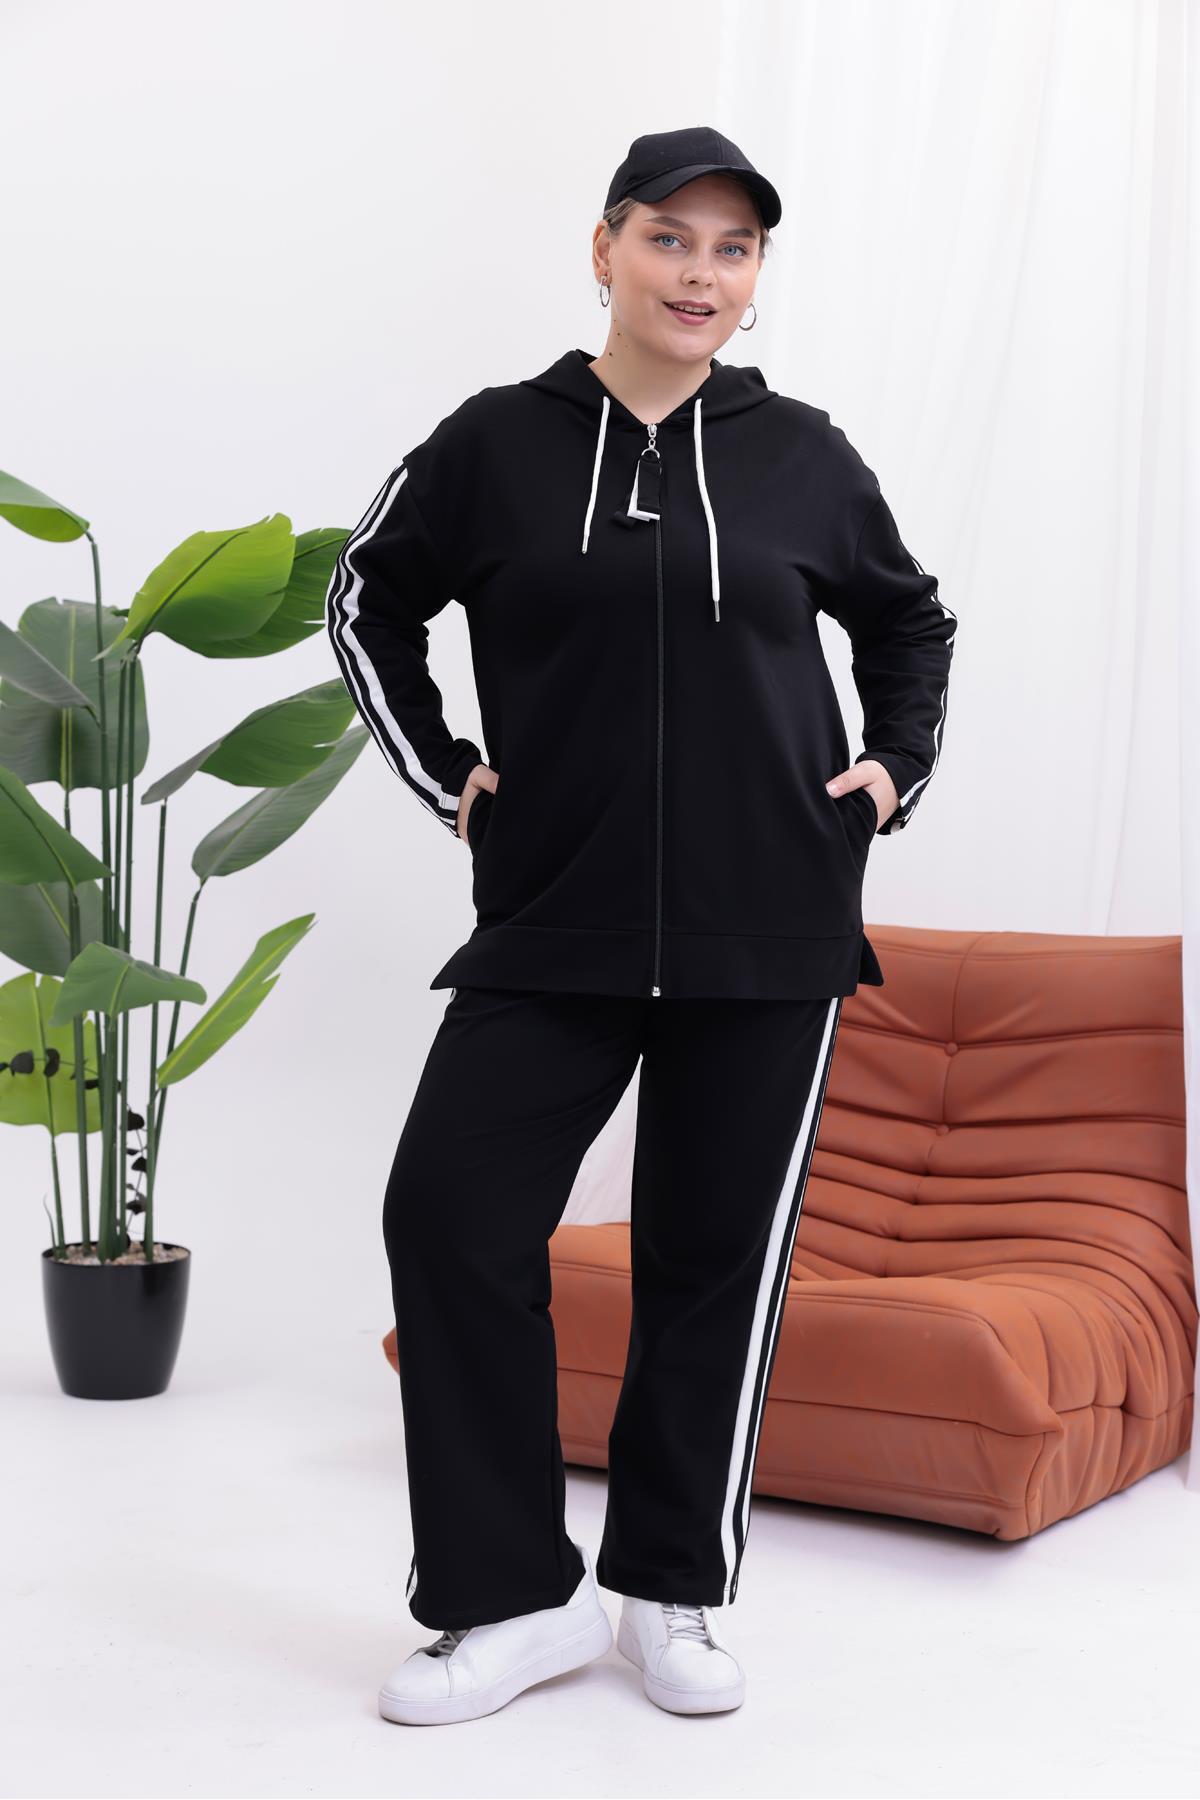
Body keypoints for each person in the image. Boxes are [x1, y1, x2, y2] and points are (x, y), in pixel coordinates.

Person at [325, 125, 957, 1726]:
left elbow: (910, 620)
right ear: (604, 247)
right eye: (671, 239)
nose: (701, 275)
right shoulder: (497, 443)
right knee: (450, 1220)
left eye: (734, 250)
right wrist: (453, 776)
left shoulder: (803, 453)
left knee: (711, 1260)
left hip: (770, 926)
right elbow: (366, 597)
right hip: (556, 917)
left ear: (756, 279)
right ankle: (509, 1601)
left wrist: (890, 773)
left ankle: (669, 1591)